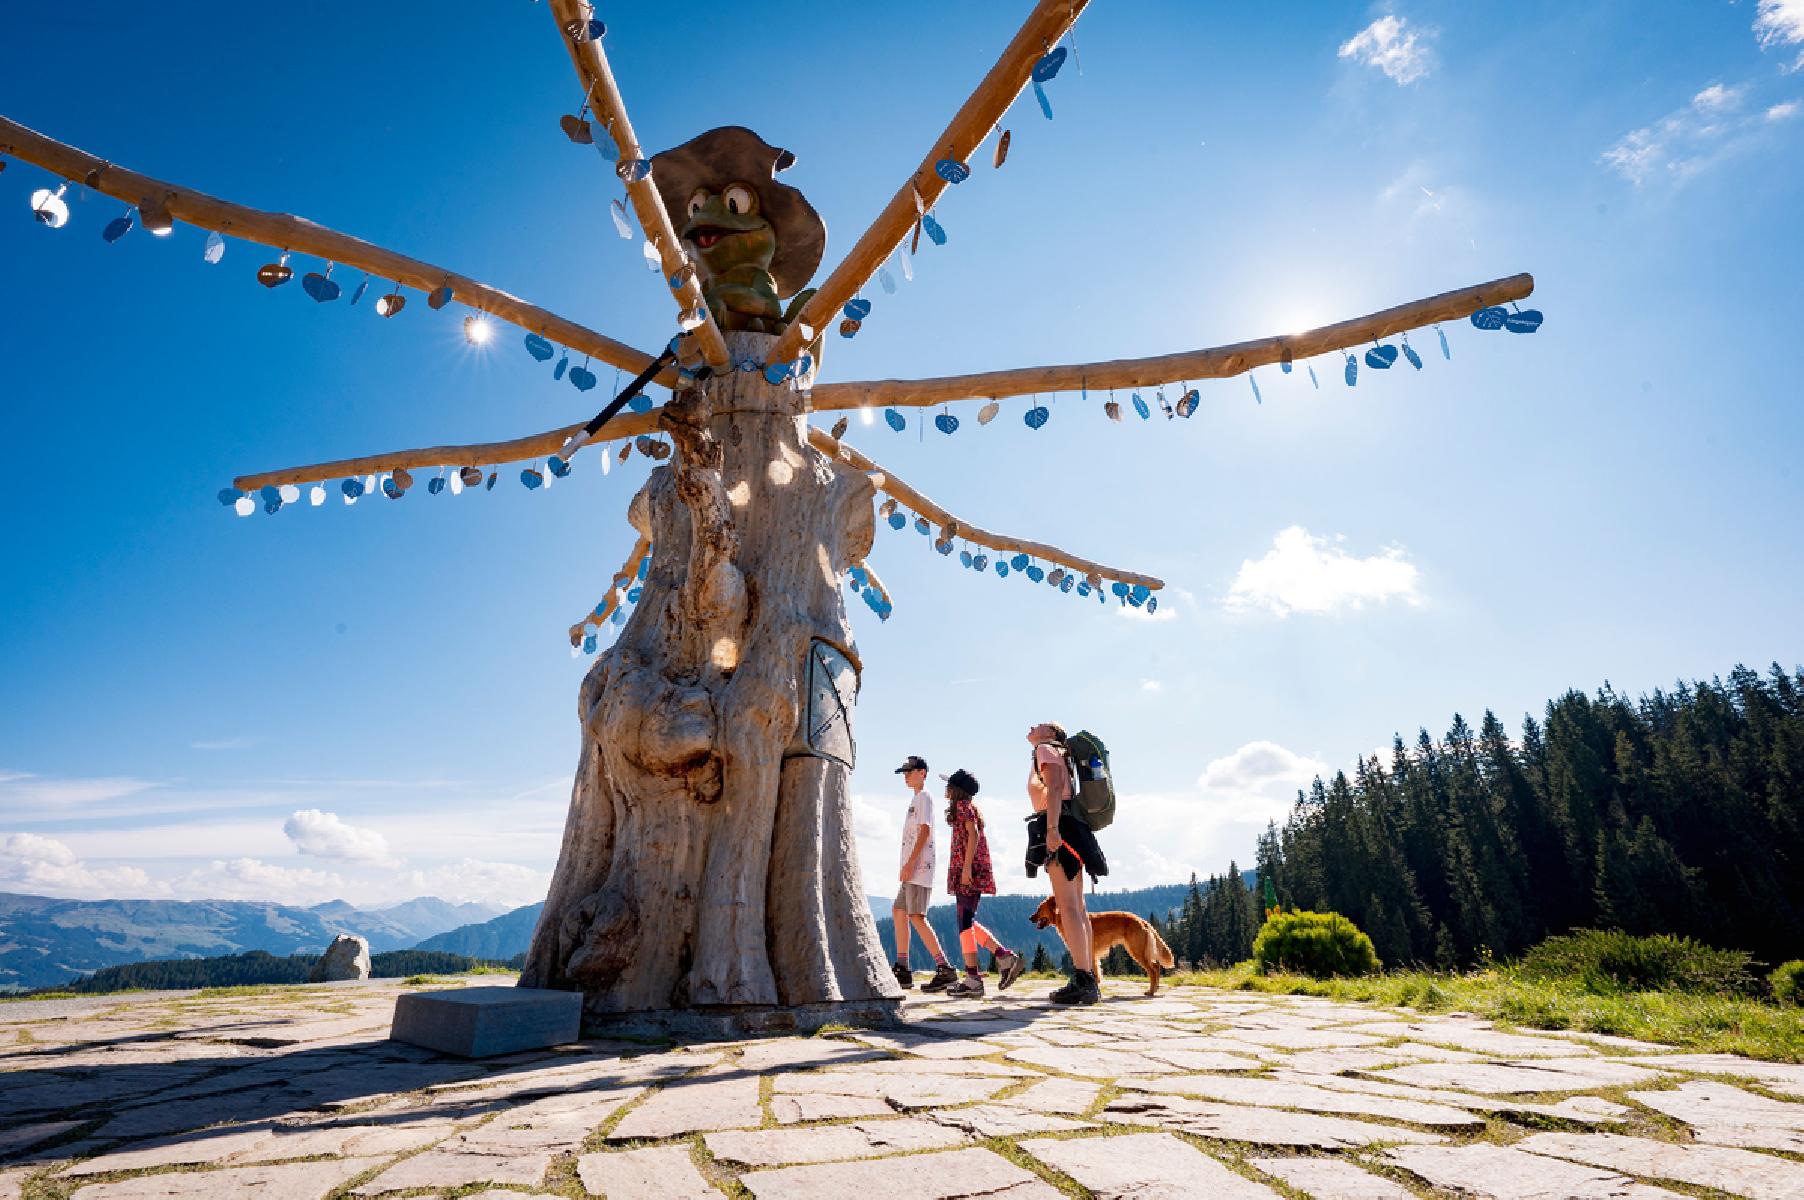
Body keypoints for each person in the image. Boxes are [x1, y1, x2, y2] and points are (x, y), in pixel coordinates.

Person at [1024, 722, 1108, 1004]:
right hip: (1074, 828)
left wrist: (1051, 830)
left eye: (1041, 724)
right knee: (1078, 907)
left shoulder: (1045, 749)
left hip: (1060, 828)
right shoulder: (1059, 752)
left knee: (1068, 906)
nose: (1033, 726)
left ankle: (1083, 980)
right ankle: (1087, 977)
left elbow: (1055, 787)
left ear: (1052, 734)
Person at [939, 769, 1024, 999]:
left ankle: (974, 979)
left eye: (948, 785)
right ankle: (1003, 957)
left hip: (968, 870)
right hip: (970, 869)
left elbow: (973, 834)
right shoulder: (969, 808)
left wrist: (966, 868)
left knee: (964, 923)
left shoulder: (962, 807)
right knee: (966, 922)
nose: (945, 789)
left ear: (956, 790)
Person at [890, 754, 956, 992]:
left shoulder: (924, 798)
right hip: (913, 868)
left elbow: (925, 831)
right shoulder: (916, 799)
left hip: (919, 868)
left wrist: (910, 864)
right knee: (899, 910)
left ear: (922, 773)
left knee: (916, 916)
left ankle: (945, 968)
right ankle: (902, 968)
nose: (906, 776)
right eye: (904, 773)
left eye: (910, 772)